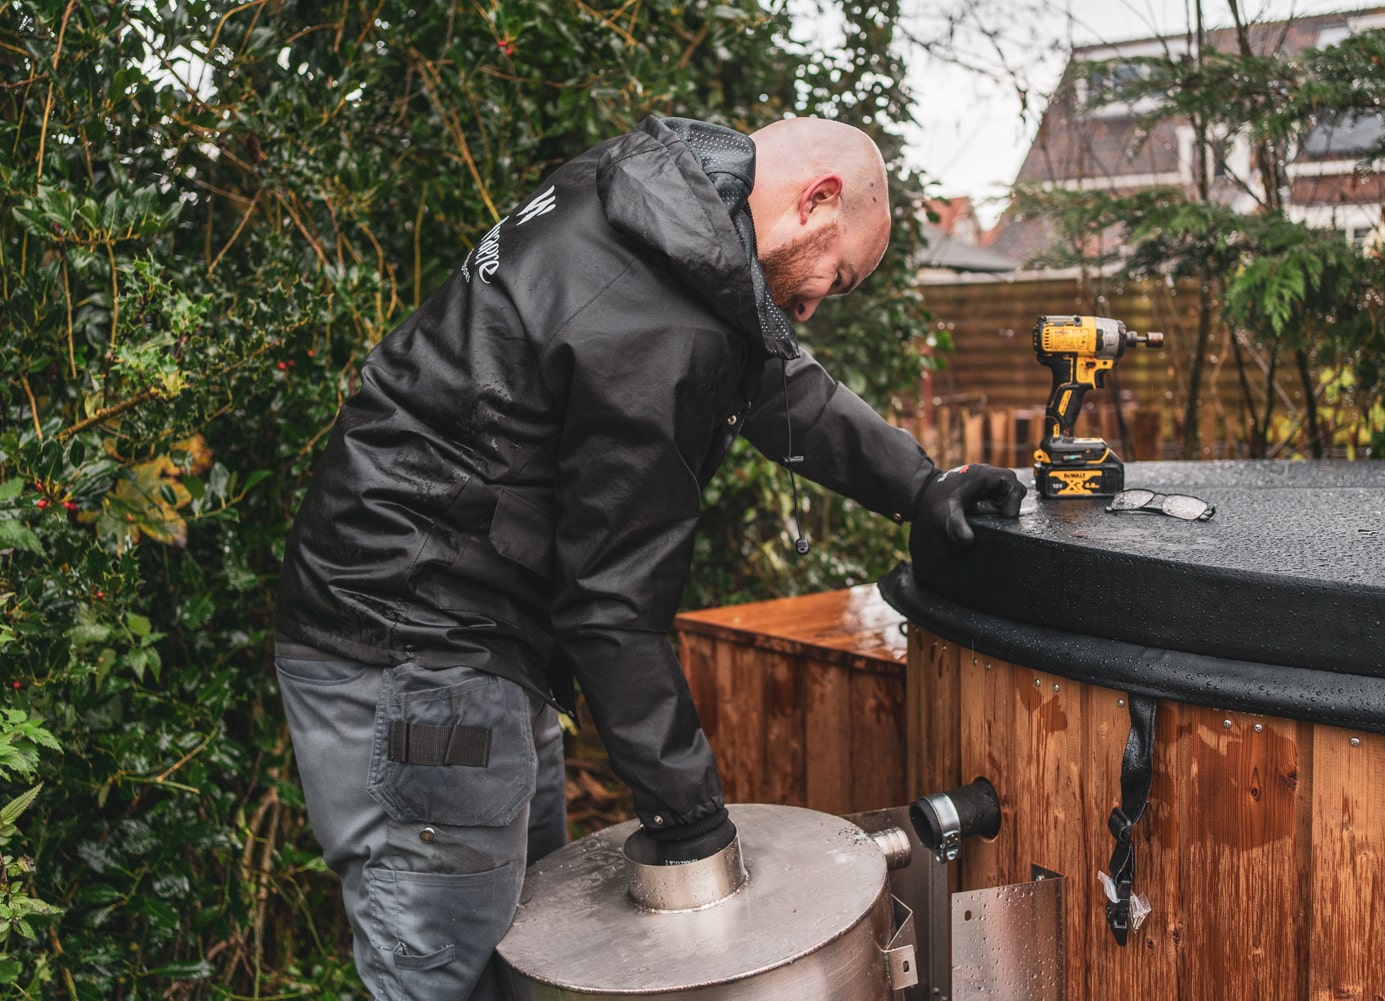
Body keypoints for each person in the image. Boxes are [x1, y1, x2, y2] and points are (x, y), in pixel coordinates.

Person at [273, 114, 1024, 1001]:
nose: (817, 305)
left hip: (461, 634)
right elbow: (610, 607)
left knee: (529, 949)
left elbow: (774, 381)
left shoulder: (657, 200)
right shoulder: (653, 320)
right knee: (453, 977)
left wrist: (922, 485)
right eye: (838, 276)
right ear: (818, 200)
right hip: (417, 646)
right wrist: (689, 817)